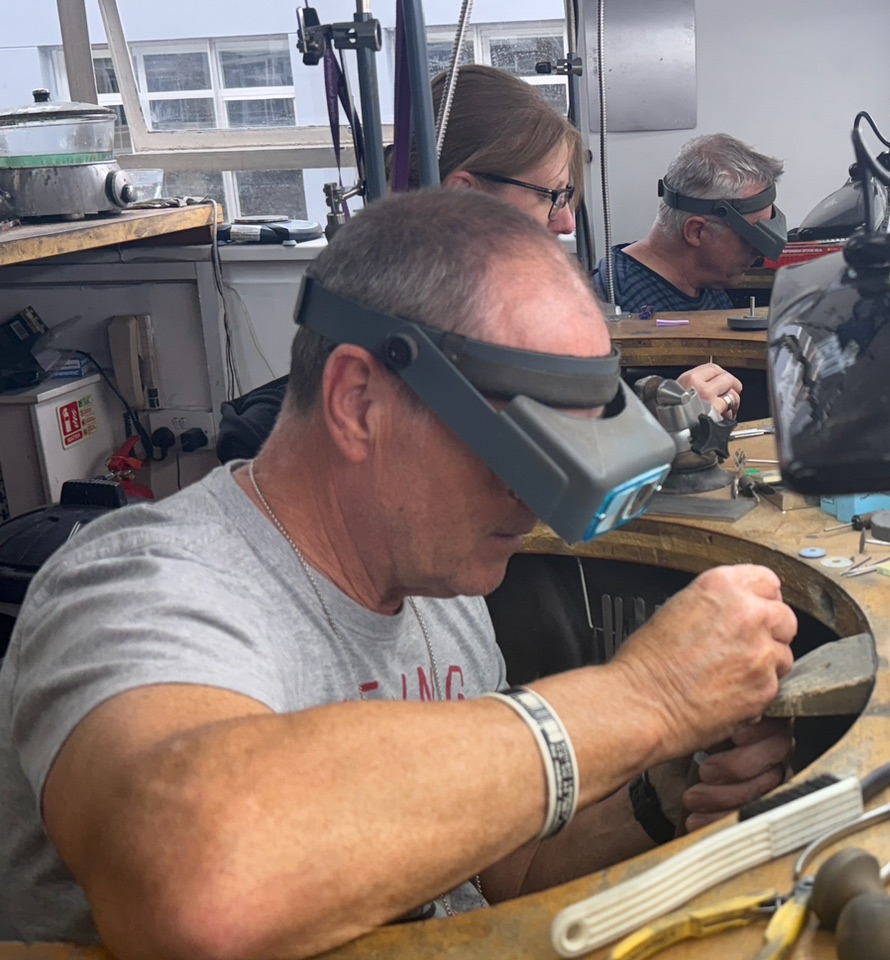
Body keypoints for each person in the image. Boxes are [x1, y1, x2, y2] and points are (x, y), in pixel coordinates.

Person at [0, 190, 798, 959]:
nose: (543, 498)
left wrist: (661, 791)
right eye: (526, 450)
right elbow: (201, 885)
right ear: (359, 402)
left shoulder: (437, 583)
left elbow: (506, 873)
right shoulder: (139, 587)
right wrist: (645, 700)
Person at [392, 64, 744, 419]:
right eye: (552, 196)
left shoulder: (472, 310)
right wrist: (666, 421)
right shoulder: (437, 337)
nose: (566, 221)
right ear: (464, 199)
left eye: (567, 195)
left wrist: (659, 408)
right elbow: (525, 460)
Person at [592, 133, 786, 318]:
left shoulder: (706, 279)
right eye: (752, 239)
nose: (760, 254)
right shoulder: (615, 300)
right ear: (696, 231)